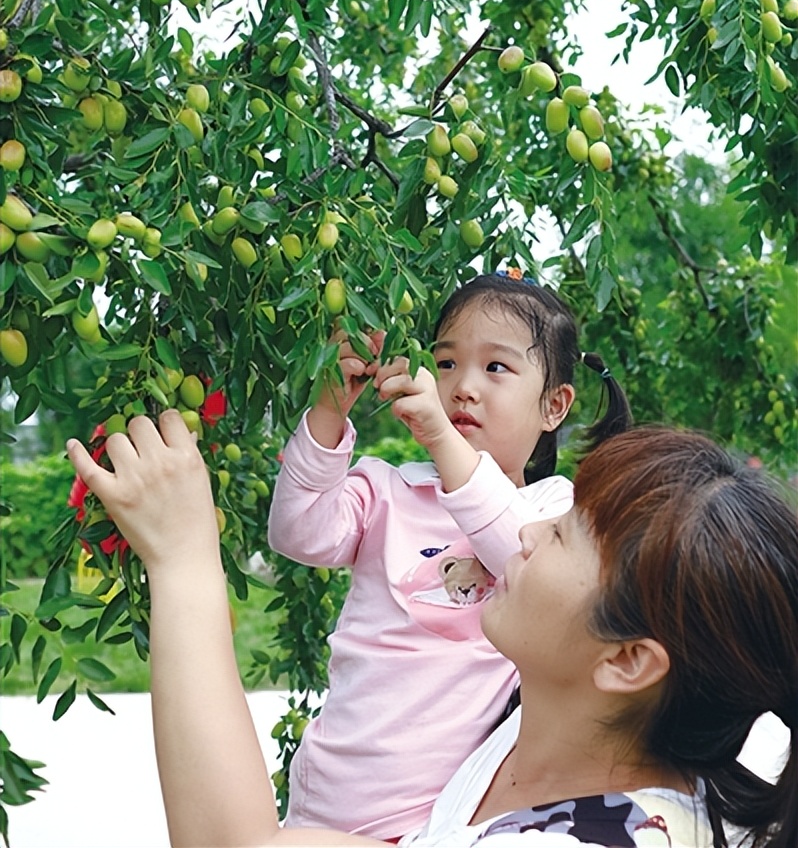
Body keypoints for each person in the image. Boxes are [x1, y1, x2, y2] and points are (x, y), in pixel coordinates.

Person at [65, 414, 798, 848]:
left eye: (568, 533)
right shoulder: (538, 739)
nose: (530, 529)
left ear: (630, 660)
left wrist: (185, 558)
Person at [267, 274, 632, 838]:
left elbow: (522, 558)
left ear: (555, 406)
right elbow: (297, 533)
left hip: (434, 819)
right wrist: (330, 408)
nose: (463, 387)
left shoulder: (550, 511)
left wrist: (442, 438)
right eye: (444, 363)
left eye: (496, 368)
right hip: (327, 797)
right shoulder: (387, 490)